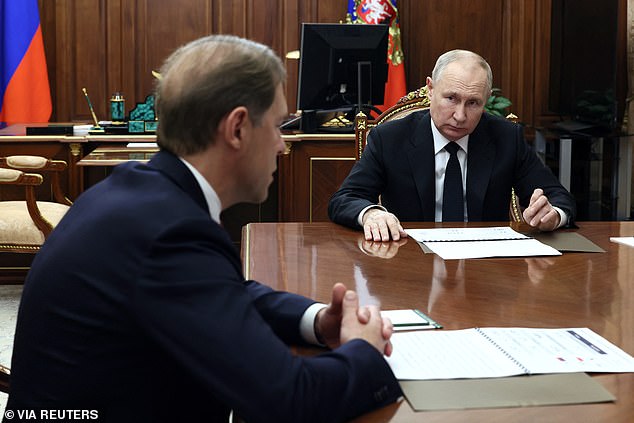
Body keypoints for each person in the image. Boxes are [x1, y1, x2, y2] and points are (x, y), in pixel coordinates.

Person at [4, 35, 402, 423]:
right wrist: (364, 351)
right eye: (279, 125)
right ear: (238, 129)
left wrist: (315, 320)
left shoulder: (141, 193)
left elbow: (220, 290)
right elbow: (289, 399)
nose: (283, 145)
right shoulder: (169, 231)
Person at [328, 49, 576, 241]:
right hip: (410, 262)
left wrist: (552, 214)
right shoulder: (390, 138)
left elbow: (558, 197)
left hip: (486, 269)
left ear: (486, 100)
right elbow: (346, 199)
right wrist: (371, 213)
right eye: (451, 98)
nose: (460, 115)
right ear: (430, 89)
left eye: (473, 103)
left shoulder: (506, 138)